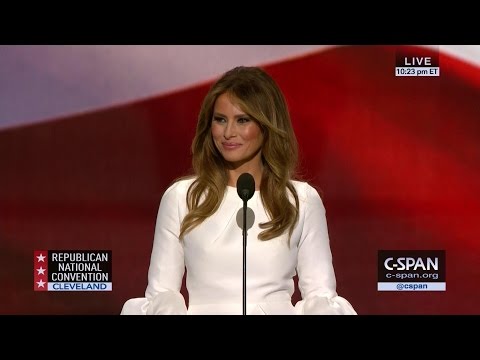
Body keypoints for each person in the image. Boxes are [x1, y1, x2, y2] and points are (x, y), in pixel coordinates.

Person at [121, 66, 356, 315]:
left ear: (267, 126)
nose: (228, 133)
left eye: (242, 120)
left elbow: (321, 296)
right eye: (220, 120)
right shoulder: (182, 198)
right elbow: (161, 294)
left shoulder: (301, 201)